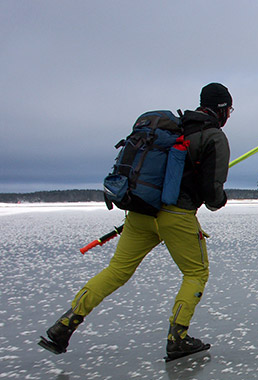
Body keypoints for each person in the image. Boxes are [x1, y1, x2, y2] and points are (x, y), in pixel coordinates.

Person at [39, 82, 233, 361]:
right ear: (222, 109)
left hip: (142, 213)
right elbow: (212, 195)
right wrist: (219, 198)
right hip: (176, 216)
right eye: (230, 109)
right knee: (196, 273)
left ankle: (63, 326)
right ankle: (177, 338)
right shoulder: (213, 137)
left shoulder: (174, 128)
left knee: (116, 271)